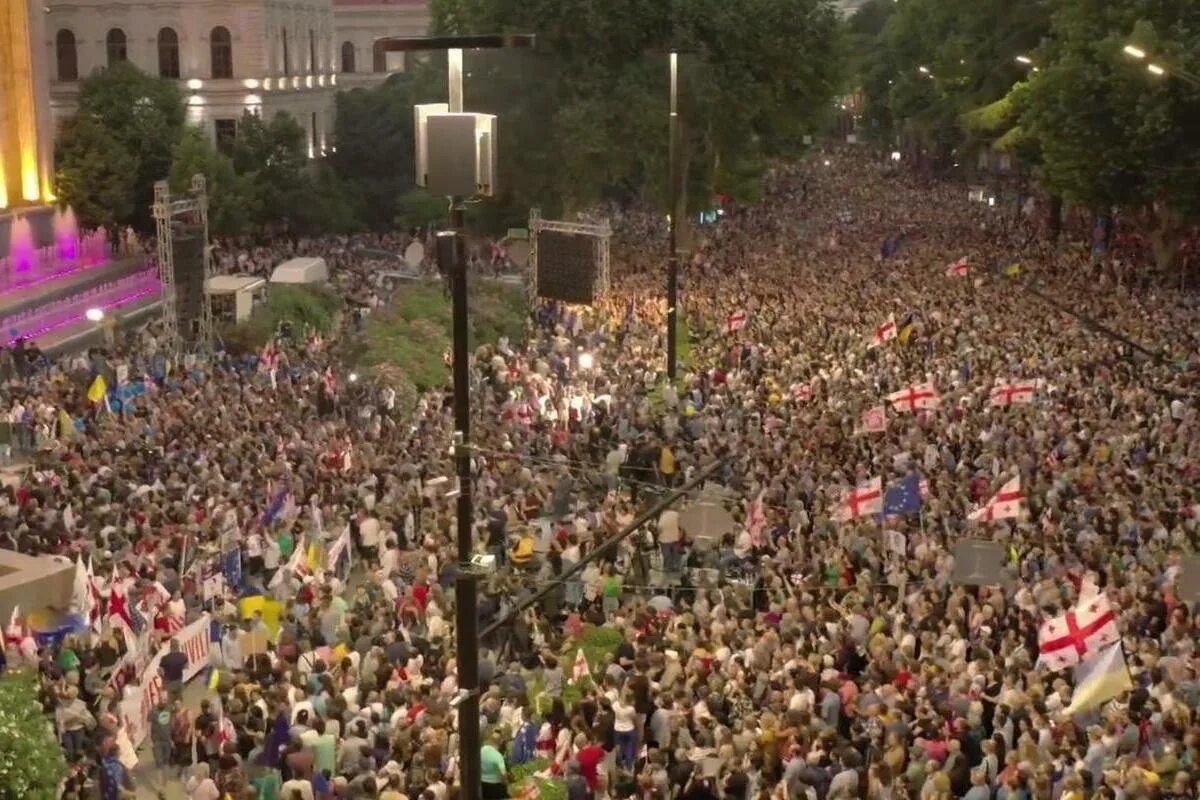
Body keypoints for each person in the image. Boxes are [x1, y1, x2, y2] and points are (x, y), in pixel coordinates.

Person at [481, 729, 511, 800]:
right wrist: (506, 782)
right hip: (495, 786)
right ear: (500, 743)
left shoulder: (482, 750)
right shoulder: (498, 756)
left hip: (482, 784)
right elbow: (504, 775)